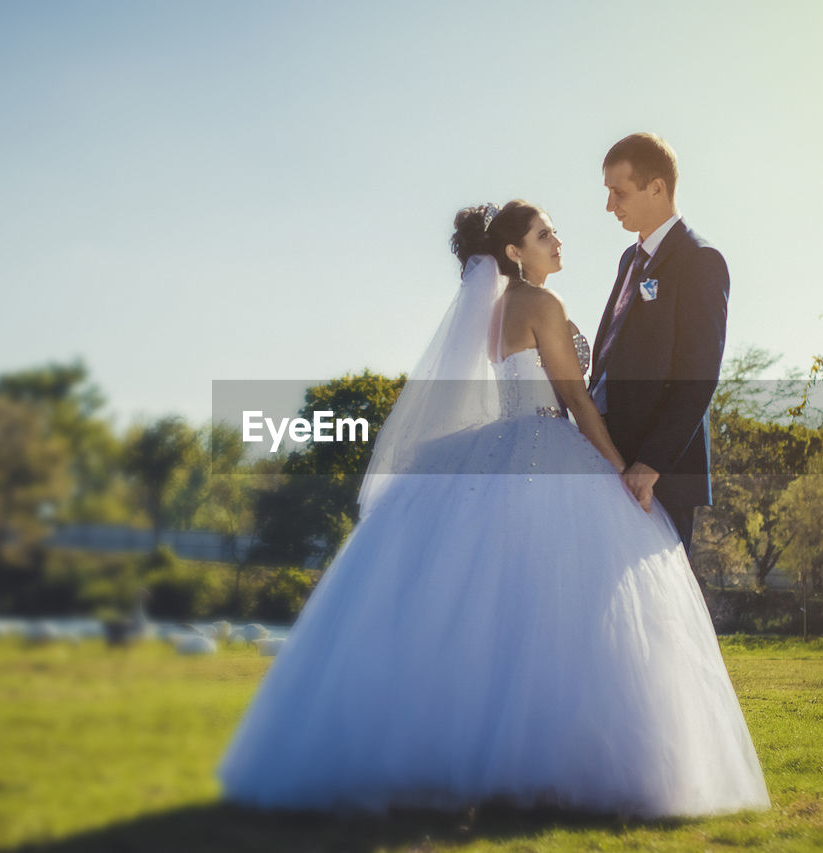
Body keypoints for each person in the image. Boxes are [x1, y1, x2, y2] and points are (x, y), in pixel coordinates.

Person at [215, 199, 769, 819]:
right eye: (544, 234)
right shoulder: (543, 305)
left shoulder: (495, 311)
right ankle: (556, 762)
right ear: (514, 252)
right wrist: (619, 470)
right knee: (562, 612)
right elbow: (578, 405)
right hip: (551, 445)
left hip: (502, 441)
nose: (557, 241)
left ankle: (467, 759)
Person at [589, 132, 728, 555]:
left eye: (619, 193)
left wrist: (650, 464)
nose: (610, 206)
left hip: (659, 475)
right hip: (612, 460)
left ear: (657, 187)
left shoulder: (700, 260)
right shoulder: (629, 260)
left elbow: (699, 375)